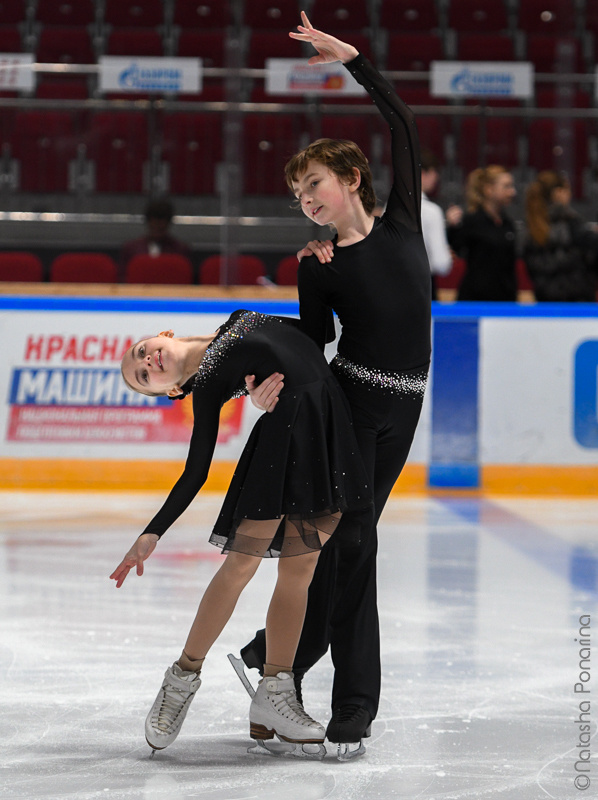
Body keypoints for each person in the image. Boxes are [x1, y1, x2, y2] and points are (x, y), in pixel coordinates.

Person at [236, 12, 432, 758]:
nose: (305, 200)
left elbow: (403, 123)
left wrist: (353, 61)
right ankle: (353, 706)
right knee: (353, 543)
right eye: (296, 193)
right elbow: (312, 343)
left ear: (350, 179)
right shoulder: (317, 265)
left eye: (312, 184)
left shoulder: (404, 225)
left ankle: (270, 656)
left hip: (403, 410)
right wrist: (265, 379)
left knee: (343, 544)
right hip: (350, 410)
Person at [110, 310, 372, 757]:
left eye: (142, 352)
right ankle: (181, 679)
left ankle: (275, 692)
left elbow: (315, 330)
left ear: (162, 335)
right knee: (240, 566)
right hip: (283, 441)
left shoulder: (238, 319)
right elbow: (196, 471)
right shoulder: (209, 385)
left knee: (301, 568)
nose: (147, 361)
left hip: (326, 428)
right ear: (172, 390)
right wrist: (153, 531)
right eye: (143, 376)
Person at [523, 170, 598, 302]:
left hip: (546, 301)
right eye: (568, 190)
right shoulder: (570, 223)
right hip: (576, 301)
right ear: (559, 193)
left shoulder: (531, 226)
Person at [446, 165, 518, 301]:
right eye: (506, 186)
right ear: (489, 190)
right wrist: (452, 227)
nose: (512, 192)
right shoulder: (471, 222)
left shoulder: (508, 224)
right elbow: (455, 249)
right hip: (475, 299)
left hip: (505, 300)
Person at [119, 198, 192, 280]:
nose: (157, 227)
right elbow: (123, 280)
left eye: (161, 228)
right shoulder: (131, 249)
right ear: (148, 223)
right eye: (154, 226)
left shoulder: (180, 250)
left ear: (168, 224)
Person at [420, 148, 453, 299]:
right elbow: (442, 264)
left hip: (394, 288)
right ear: (422, 173)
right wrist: (447, 253)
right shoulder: (432, 212)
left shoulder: (388, 208)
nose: (437, 178)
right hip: (423, 286)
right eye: (434, 172)